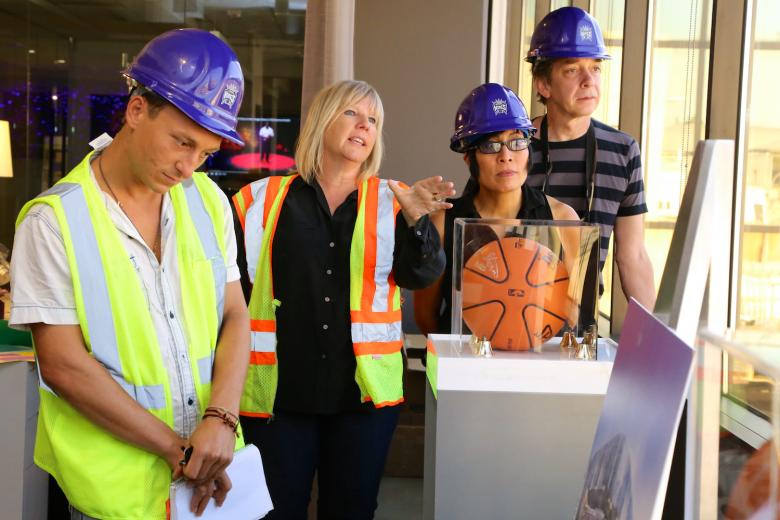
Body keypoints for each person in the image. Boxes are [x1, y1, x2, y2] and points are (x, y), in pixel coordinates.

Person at [9, 29, 250, 519]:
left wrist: (221, 419)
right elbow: (63, 366)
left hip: (213, 480)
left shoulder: (209, 204)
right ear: (137, 110)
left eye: (204, 153)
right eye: (181, 142)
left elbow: (235, 316)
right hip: (115, 493)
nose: (188, 167)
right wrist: (177, 451)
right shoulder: (53, 221)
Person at [232, 79, 453, 519]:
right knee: (275, 512)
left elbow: (423, 273)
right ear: (321, 120)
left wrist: (416, 221)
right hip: (278, 399)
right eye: (353, 113)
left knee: (351, 512)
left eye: (373, 120)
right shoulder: (258, 199)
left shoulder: (395, 200)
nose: (364, 126)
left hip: (363, 400)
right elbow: (229, 295)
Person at [413, 83, 580, 335]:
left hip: (539, 367)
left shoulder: (562, 218)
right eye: (490, 146)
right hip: (466, 368)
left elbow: (573, 312)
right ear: (469, 158)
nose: (506, 156)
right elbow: (426, 317)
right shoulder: (442, 222)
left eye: (516, 142)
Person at [525, 6, 656, 310]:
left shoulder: (623, 151)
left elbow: (633, 255)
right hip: (513, 312)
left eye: (595, 68)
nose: (589, 80)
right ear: (543, 84)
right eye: (572, 70)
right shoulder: (513, 148)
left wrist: (653, 339)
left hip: (581, 322)